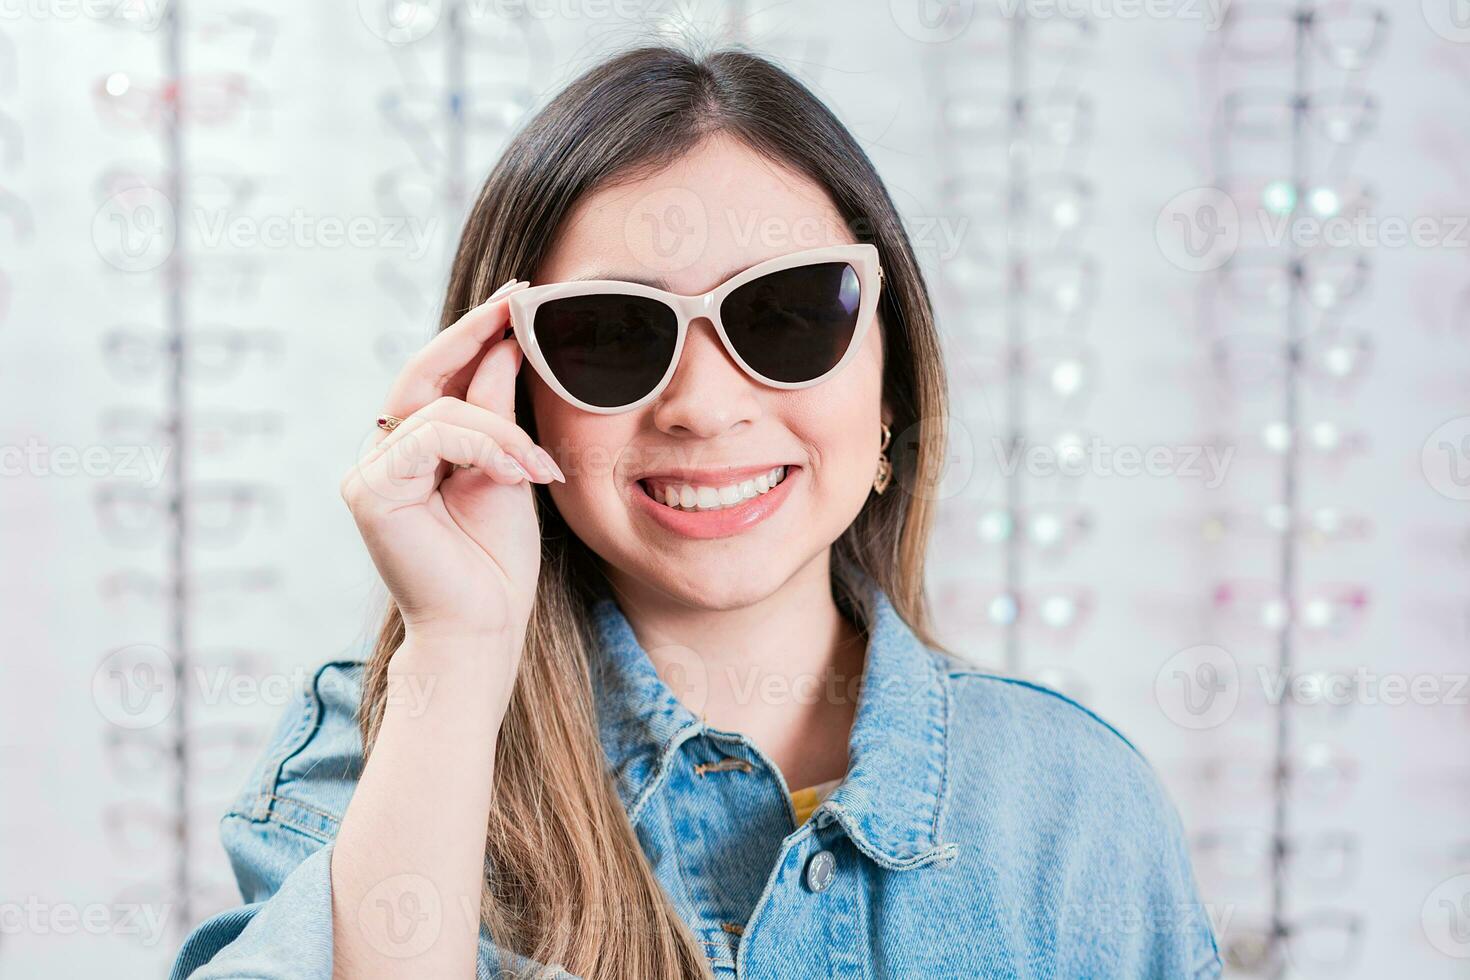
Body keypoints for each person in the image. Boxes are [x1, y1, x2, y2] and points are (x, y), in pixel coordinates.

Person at [168, 44, 1222, 980]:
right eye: (614, 335)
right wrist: (455, 646)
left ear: (891, 385)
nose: (706, 408)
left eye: (790, 314)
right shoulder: (374, 760)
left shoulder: (1074, 808)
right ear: (509, 388)